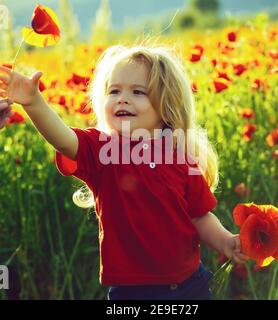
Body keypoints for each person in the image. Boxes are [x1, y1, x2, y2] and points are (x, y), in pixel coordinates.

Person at [0, 44, 249, 300]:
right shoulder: (102, 150)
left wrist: (226, 241)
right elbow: (63, 140)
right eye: (114, 91)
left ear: (167, 105)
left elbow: (199, 217)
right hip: (131, 294)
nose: (122, 98)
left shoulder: (182, 157)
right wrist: (33, 101)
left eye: (138, 92)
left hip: (188, 287)